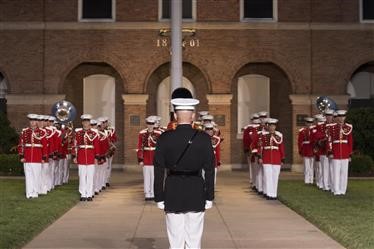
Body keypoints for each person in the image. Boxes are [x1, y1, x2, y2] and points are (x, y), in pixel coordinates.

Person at [154, 88, 215, 249]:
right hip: (196, 190)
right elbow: (209, 170)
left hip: (173, 190)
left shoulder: (164, 138)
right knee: (194, 239)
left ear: (175, 116)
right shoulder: (204, 139)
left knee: (175, 239)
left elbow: (159, 169)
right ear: (193, 116)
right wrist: (209, 196)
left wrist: (158, 196)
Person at [17, 114, 48, 198]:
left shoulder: (42, 132)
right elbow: (21, 144)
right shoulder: (25, 132)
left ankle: (35, 192)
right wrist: (21, 156)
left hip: (37, 157)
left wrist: (44, 157)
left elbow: (44, 146)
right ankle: (29, 193)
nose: (32, 122)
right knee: (28, 176)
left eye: (34, 121)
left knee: (36, 175)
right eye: (31, 121)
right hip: (27, 157)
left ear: (37, 122)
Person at [72, 114, 100, 201]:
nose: (86, 123)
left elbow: (97, 146)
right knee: (82, 176)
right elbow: (75, 145)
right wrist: (74, 156)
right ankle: (83, 194)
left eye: (87, 121)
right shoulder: (78, 133)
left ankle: (89, 194)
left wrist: (96, 157)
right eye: (84, 121)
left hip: (91, 156)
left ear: (89, 123)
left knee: (90, 176)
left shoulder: (94, 133)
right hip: (81, 156)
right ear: (82, 122)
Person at [258, 118, 285, 200]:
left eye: (273, 126)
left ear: (275, 127)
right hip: (266, 158)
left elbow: (281, 147)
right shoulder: (264, 136)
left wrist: (282, 158)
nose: (272, 127)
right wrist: (260, 157)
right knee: (267, 176)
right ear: (268, 126)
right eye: (270, 126)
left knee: (275, 177)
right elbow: (261, 147)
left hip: (276, 159)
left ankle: (274, 194)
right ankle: (269, 194)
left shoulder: (279, 136)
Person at [137, 116, 162, 201]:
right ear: (146, 124)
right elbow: (140, 146)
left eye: (152, 124)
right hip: (146, 157)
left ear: (154, 124)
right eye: (149, 124)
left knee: (154, 176)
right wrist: (140, 159)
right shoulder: (142, 133)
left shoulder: (158, 134)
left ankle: (153, 193)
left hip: (155, 156)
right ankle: (147, 193)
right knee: (147, 176)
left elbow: (161, 148)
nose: (150, 126)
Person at [330, 110, 353, 196]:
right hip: (336, 153)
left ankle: (343, 190)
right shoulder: (332, 128)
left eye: (343, 117)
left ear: (345, 117)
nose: (341, 118)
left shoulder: (348, 127)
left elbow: (350, 142)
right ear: (337, 117)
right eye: (340, 116)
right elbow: (330, 141)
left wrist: (350, 154)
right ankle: (336, 190)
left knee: (344, 172)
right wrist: (330, 152)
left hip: (345, 153)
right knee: (336, 172)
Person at [298, 117, 316, 184]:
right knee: (306, 166)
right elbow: (300, 142)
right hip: (305, 149)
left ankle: (311, 180)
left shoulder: (314, 130)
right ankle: (306, 180)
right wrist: (300, 150)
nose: (309, 124)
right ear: (306, 123)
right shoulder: (302, 131)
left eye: (311, 123)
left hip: (312, 149)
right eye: (308, 123)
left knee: (312, 166)